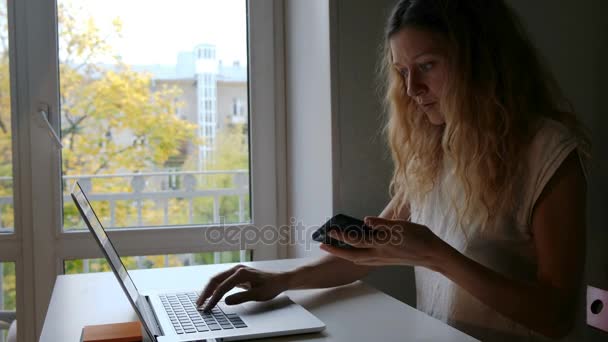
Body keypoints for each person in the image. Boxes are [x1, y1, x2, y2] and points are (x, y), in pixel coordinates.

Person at [196, 0, 590, 340]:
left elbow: (556, 317)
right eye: (402, 71)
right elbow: (359, 255)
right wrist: (281, 280)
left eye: (427, 66)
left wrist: (436, 255)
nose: (411, 88)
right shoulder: (435, 150)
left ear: (481, 60)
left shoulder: (547, 152)